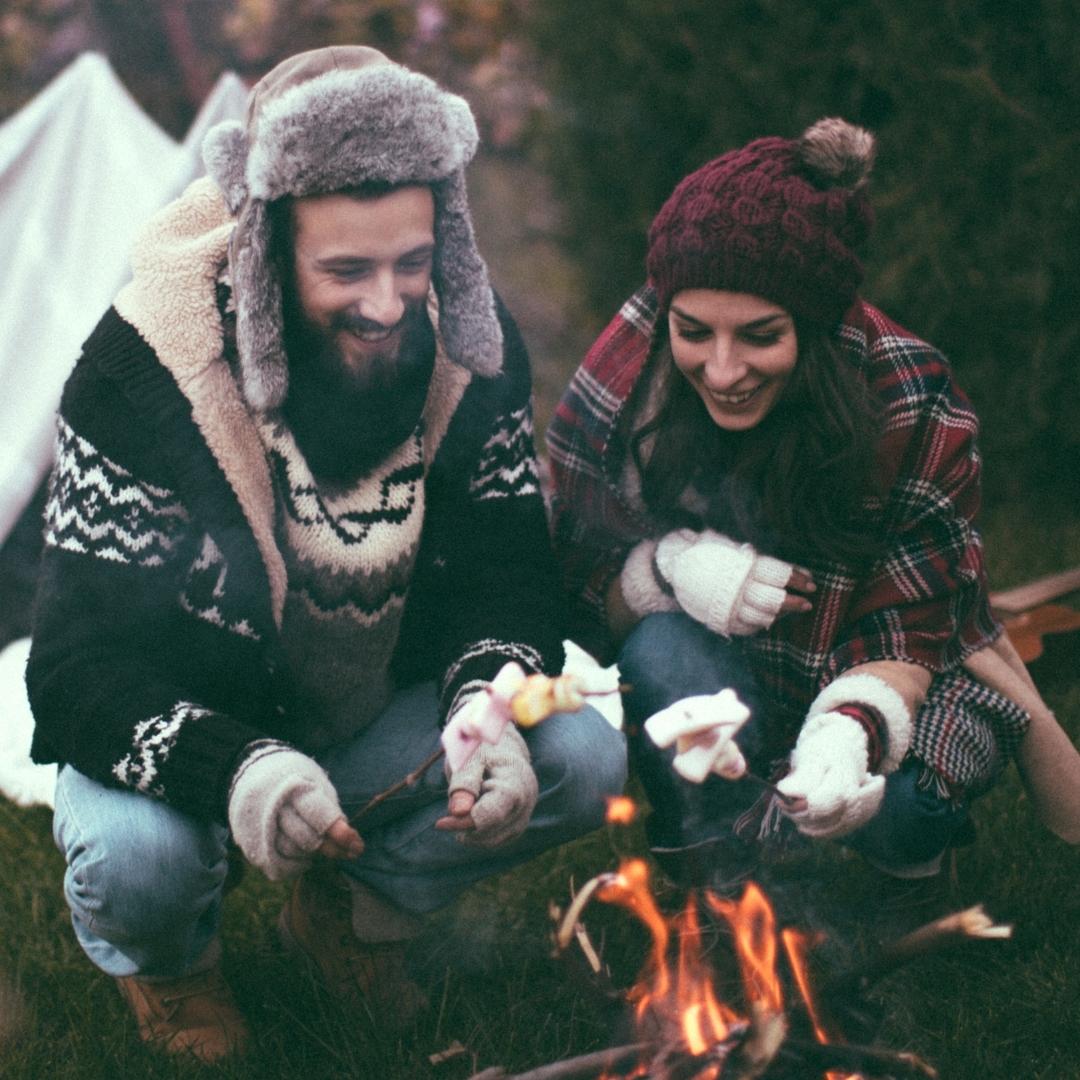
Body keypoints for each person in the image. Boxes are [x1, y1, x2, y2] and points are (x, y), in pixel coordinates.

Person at [26, 46, 626, 1063]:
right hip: (182, 724)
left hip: (365, 715)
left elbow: (511, 580)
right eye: (345, 269)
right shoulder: (140, 373)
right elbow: (74, 671)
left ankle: (347, 916)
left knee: (577, 755)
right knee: (139, 863)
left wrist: (490, 705)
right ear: (264, 249)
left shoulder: (469, 352)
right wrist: (239, 771)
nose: (388, 303)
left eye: (412, 262)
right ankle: (172, 969)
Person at [547, 117, 1080, 894]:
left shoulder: (912, 397)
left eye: (761, 336)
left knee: (907, 810)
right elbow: (572, 576)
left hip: (881, 668)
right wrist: (665, 569)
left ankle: (906, 866)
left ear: (818, 329)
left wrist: (847, 731)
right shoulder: (633, 366)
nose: (722, 369)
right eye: (696, 332)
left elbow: (917, 617)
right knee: (658, 654)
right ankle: (717, 865)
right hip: (721, 664)